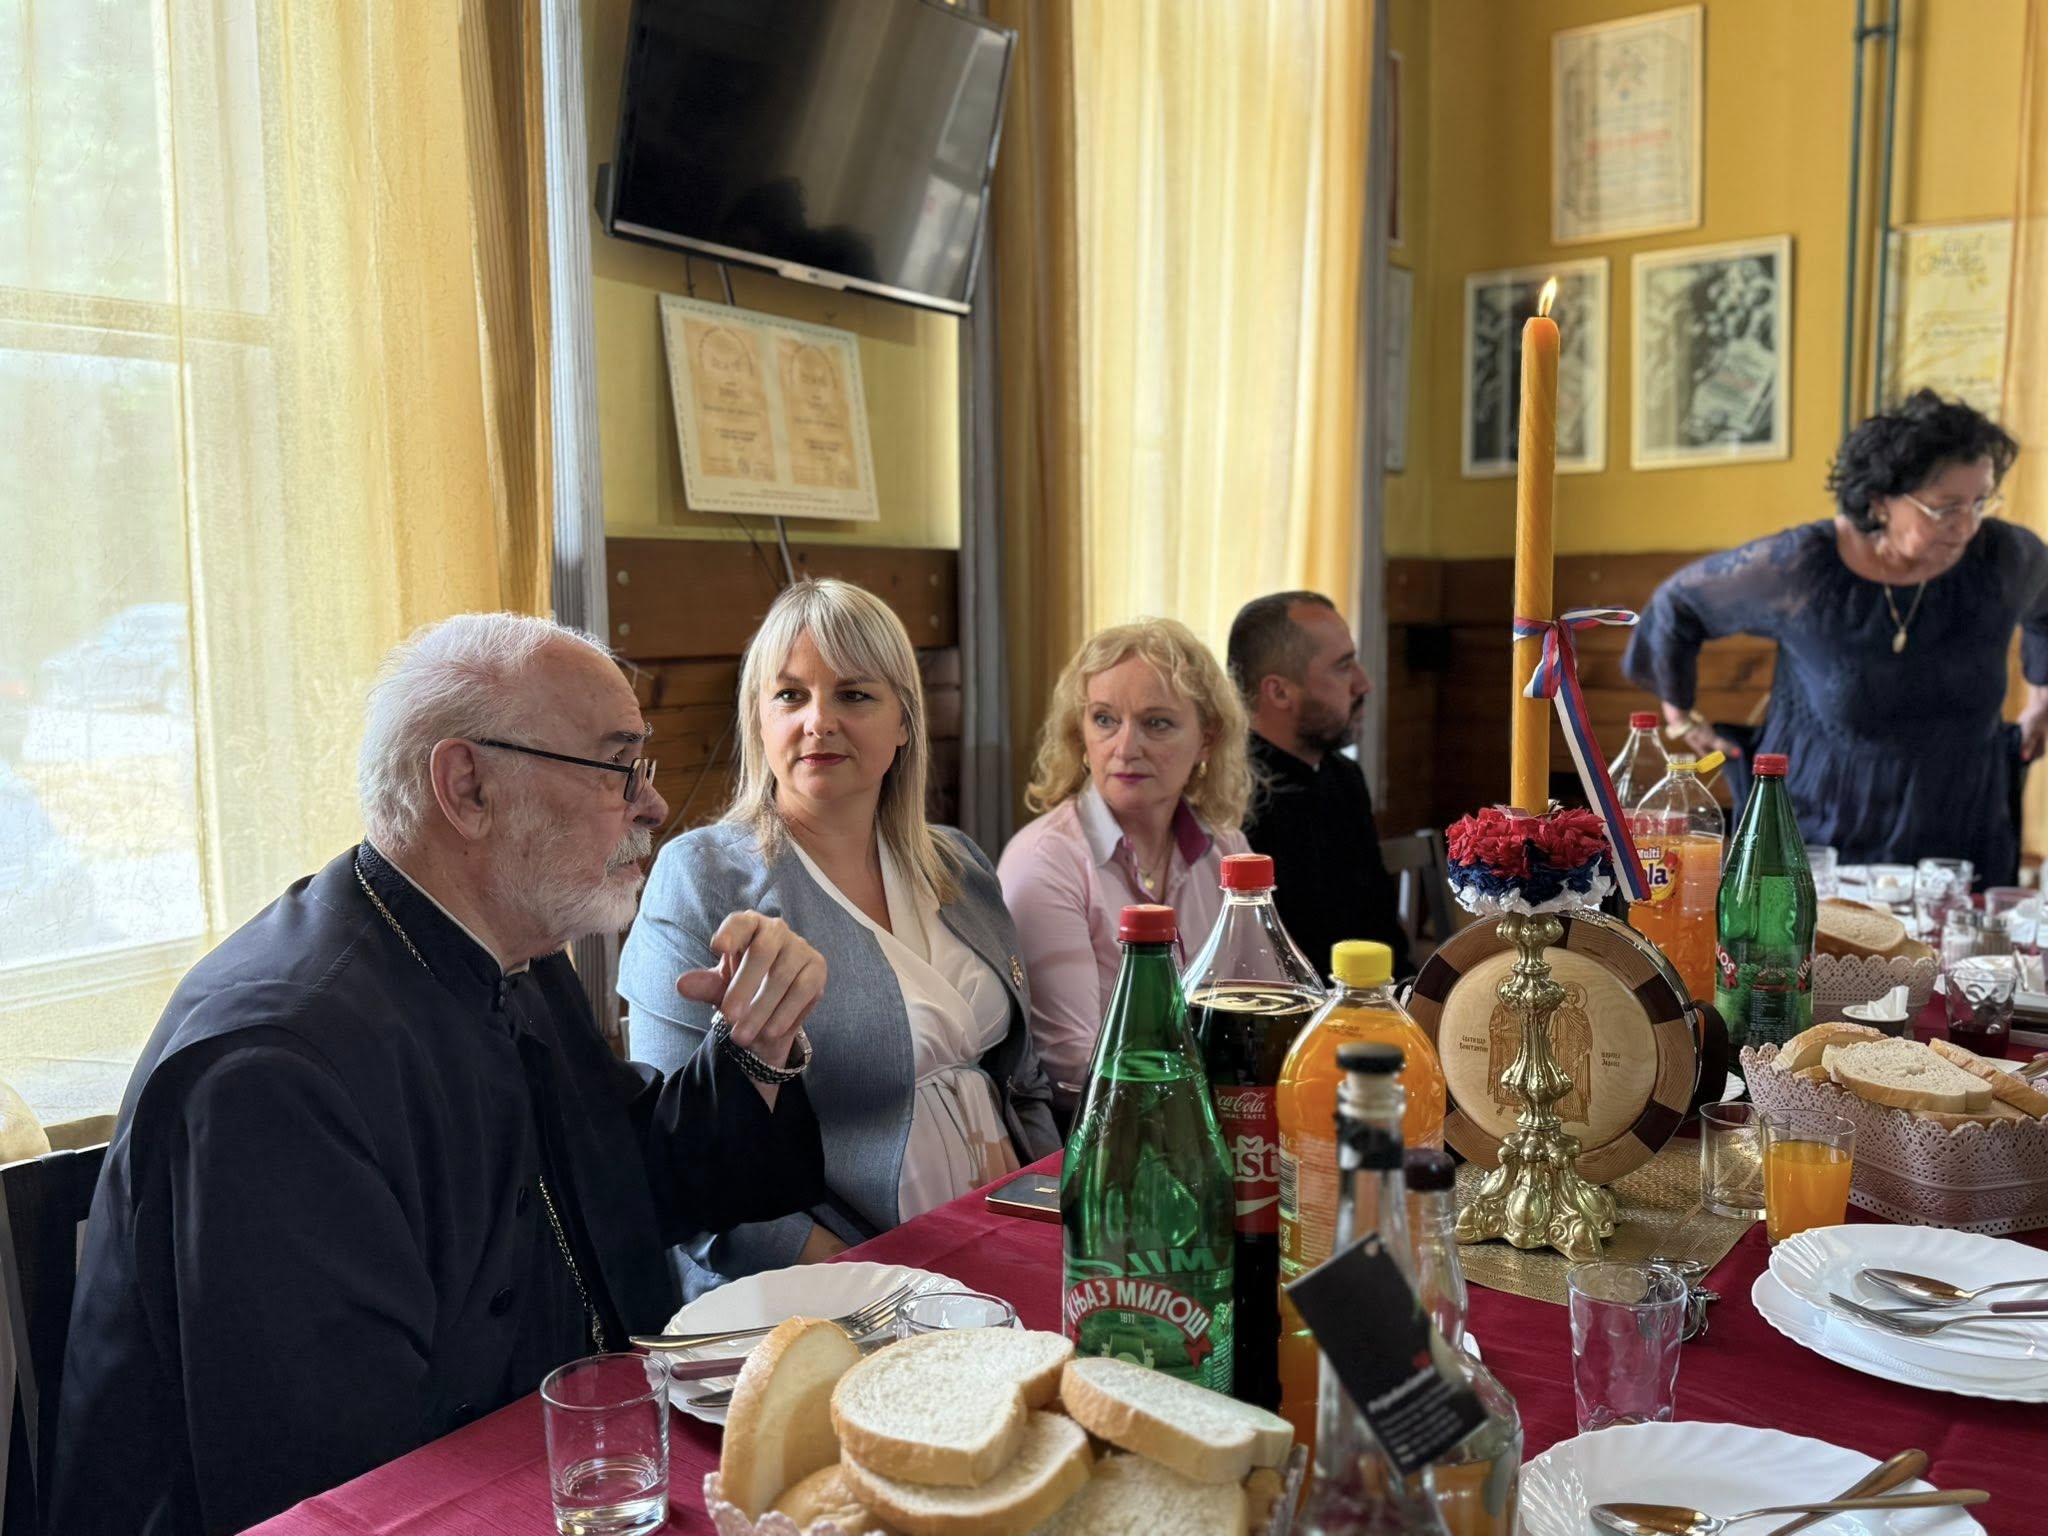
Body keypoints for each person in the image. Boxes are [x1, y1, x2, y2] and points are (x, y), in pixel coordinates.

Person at [52, 615, 828, 1536]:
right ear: (467, 788)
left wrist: (755, 1043)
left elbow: (639, 1180)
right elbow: (337, 1490)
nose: (653, 805)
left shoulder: (511, 951)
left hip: (589, 1474)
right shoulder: (274, 1070)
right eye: (618, 767)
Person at [621, 580, 1057, 1297]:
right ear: (758, 718)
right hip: (831, 1285)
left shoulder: (960, 863)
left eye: (854, 695)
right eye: (790, 696)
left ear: (904, 722)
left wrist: (1051, 1217)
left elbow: (1025, 1082)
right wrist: (873, 1278)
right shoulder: (700, 878)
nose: (818, 721)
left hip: (1007, 1238)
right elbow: (675, 1158)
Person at [1626, 390, 2048, 888]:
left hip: (1961, 829)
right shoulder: (1803, 569)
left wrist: (2041, 700)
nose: (1968, 526)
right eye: (1945, 508)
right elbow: (1678, 606)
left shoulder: (2005, 558)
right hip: (1821, 831)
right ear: (1880, 503)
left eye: (1980, 502)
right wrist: (1681, 715)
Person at [998, 619, 1253, 1107]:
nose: (1125, 747)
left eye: (1157, 723)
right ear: (1080, 733)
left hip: (1211, 1112)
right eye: (1104, 719)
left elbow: (1252, 1010)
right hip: (1098, 1129)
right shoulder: (1045, 861)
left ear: (1207, 739)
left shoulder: (1227, 849)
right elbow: (1073, 1067)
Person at [1227, 591, 1412, 979]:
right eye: (1343, 667)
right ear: (1279, 692)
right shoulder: (1231, 795)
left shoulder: (1343, 776)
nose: (1363, 684)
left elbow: (1381, 929)